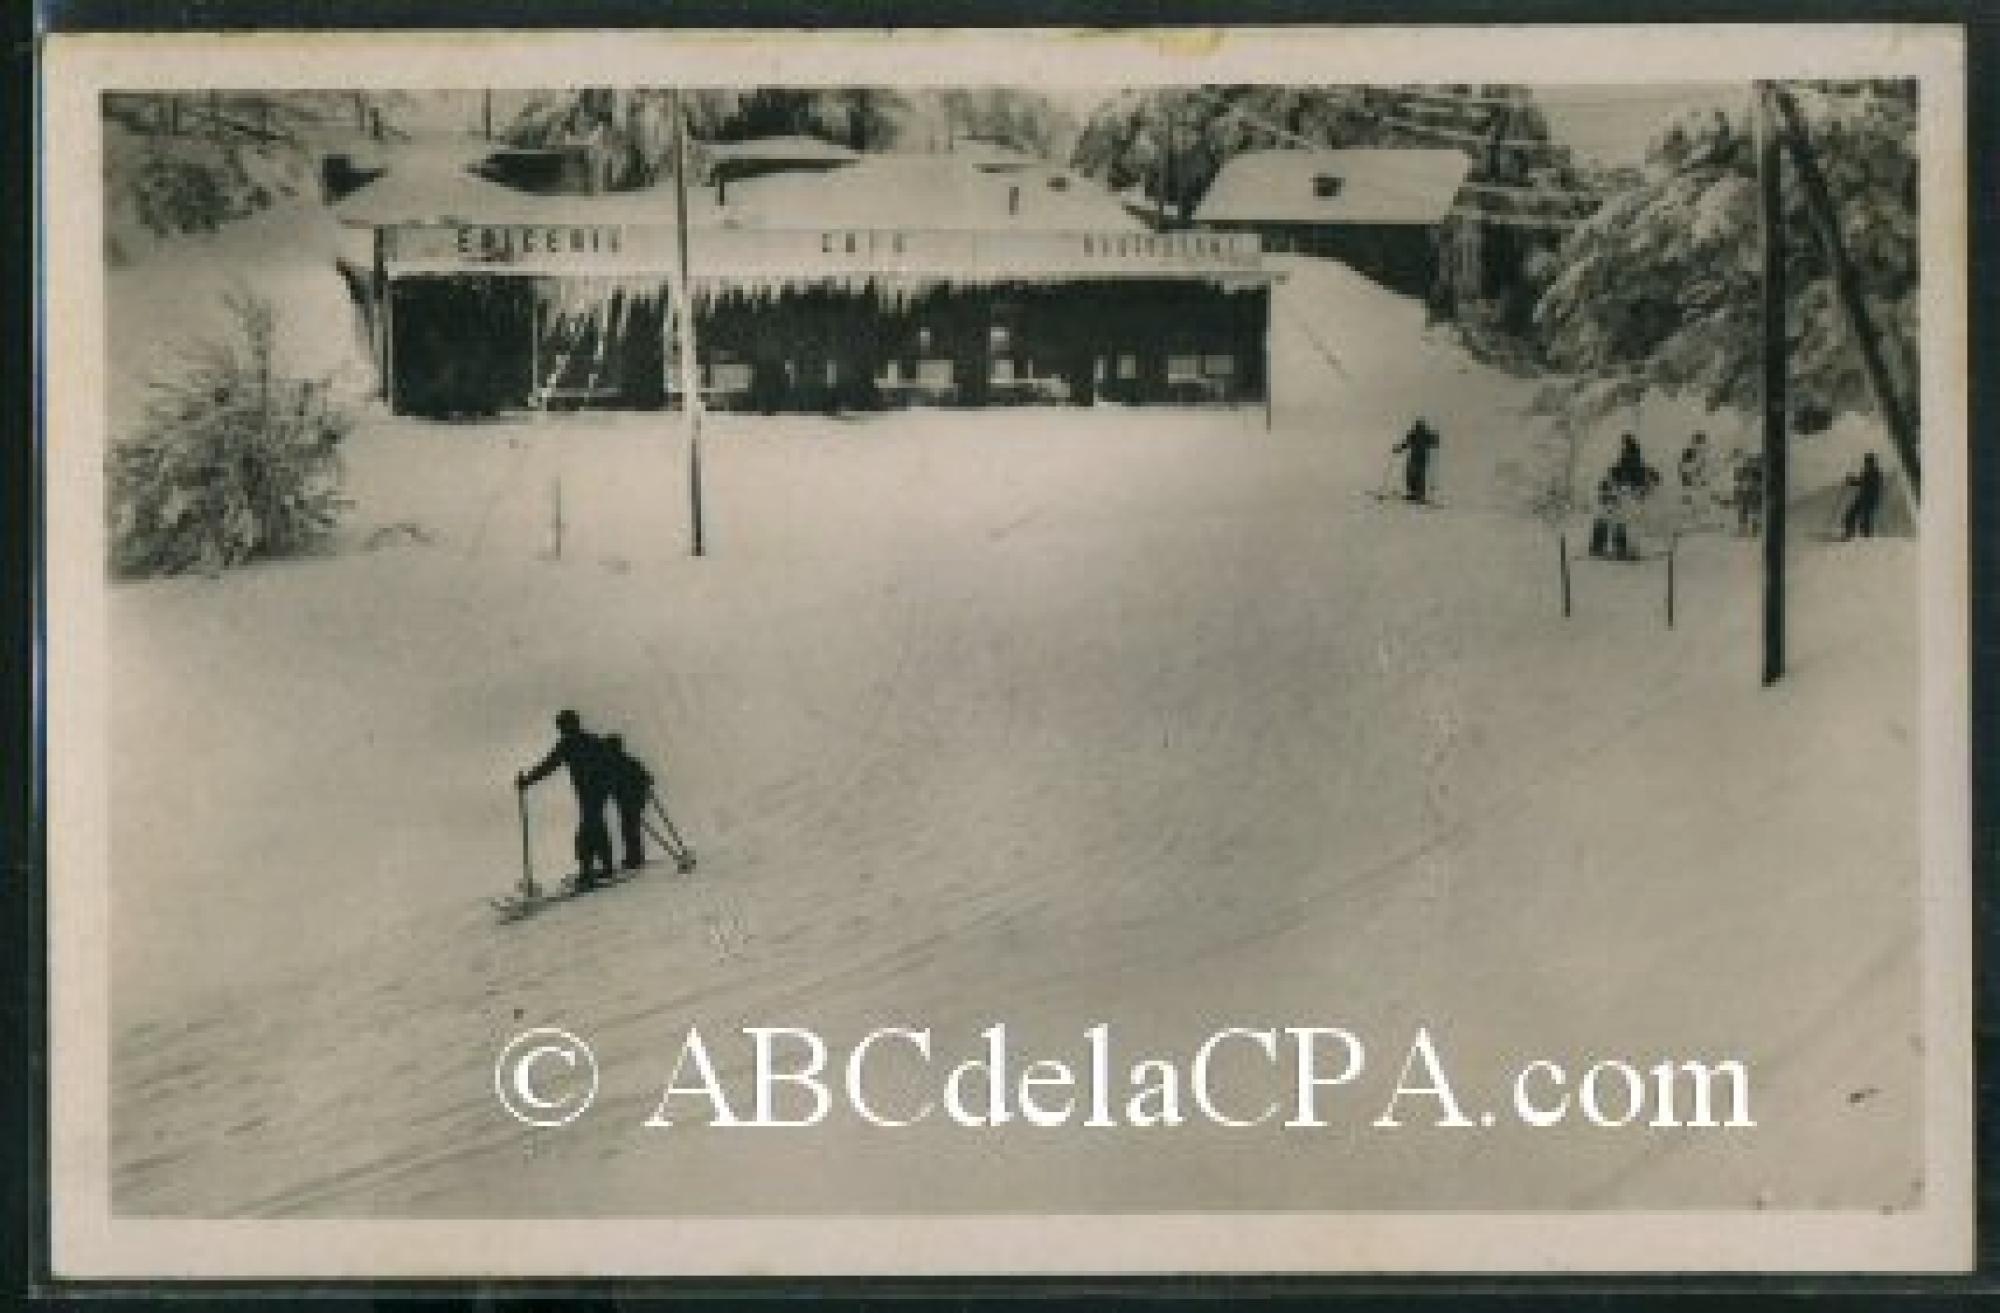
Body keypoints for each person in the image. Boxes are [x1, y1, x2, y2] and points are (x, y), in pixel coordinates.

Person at [517, 709, 615, 889]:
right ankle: (605, 866)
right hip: (589, 791)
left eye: (564, 726)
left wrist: (528, 780)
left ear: (573, 725)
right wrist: (528, 780)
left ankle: (588, 870)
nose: (562, 730)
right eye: (561, 727)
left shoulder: (584, 742)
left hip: (596, 789)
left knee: (588, 828)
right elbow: (549, 765)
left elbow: (608, 763)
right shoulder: (573, 743)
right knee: (595, 825)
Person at [603, 734, 655, 871]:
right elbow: (647, 778)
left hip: (630, 800)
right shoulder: (626, 761)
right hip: (632, 799)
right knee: (630, 828)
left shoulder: (617, 763)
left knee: (629, 829)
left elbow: (646, 778)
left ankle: (635, 859)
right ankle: (635, 857)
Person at [1393, 417, 1441, 502]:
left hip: (1418, 459)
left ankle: (1417, 494)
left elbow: (1435, 442)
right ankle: (1415, 494)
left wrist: (1398, 449)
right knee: (1414, 475)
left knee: (1416, 476)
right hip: (1417, 459)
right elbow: (1406, 443)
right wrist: (1398, 449)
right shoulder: (1418, 435)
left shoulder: (1418, 435)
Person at [1841, 452, 1885, 540]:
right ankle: (1849, 532)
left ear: (1872, 463)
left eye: (1868, 462)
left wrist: (1856, 481)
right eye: (1866, 462)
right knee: (1851, 513)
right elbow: (1861, 483)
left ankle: (1866, 535)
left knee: (1866, 517)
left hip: (1871, 498)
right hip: (1863, 496)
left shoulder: (1876, 473)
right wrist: (1852, 481)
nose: (1866, 464)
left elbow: (1870, 484)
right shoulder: (1865, 472)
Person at [1732, 448, 1765, 537]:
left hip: (1753, 491)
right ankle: (1746, 530)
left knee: (1754, 510)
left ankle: (1753, 530)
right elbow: (1738, 478)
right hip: (1747, 491)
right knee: (1746, 510)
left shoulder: (1754, 467)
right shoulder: (1745, 467)